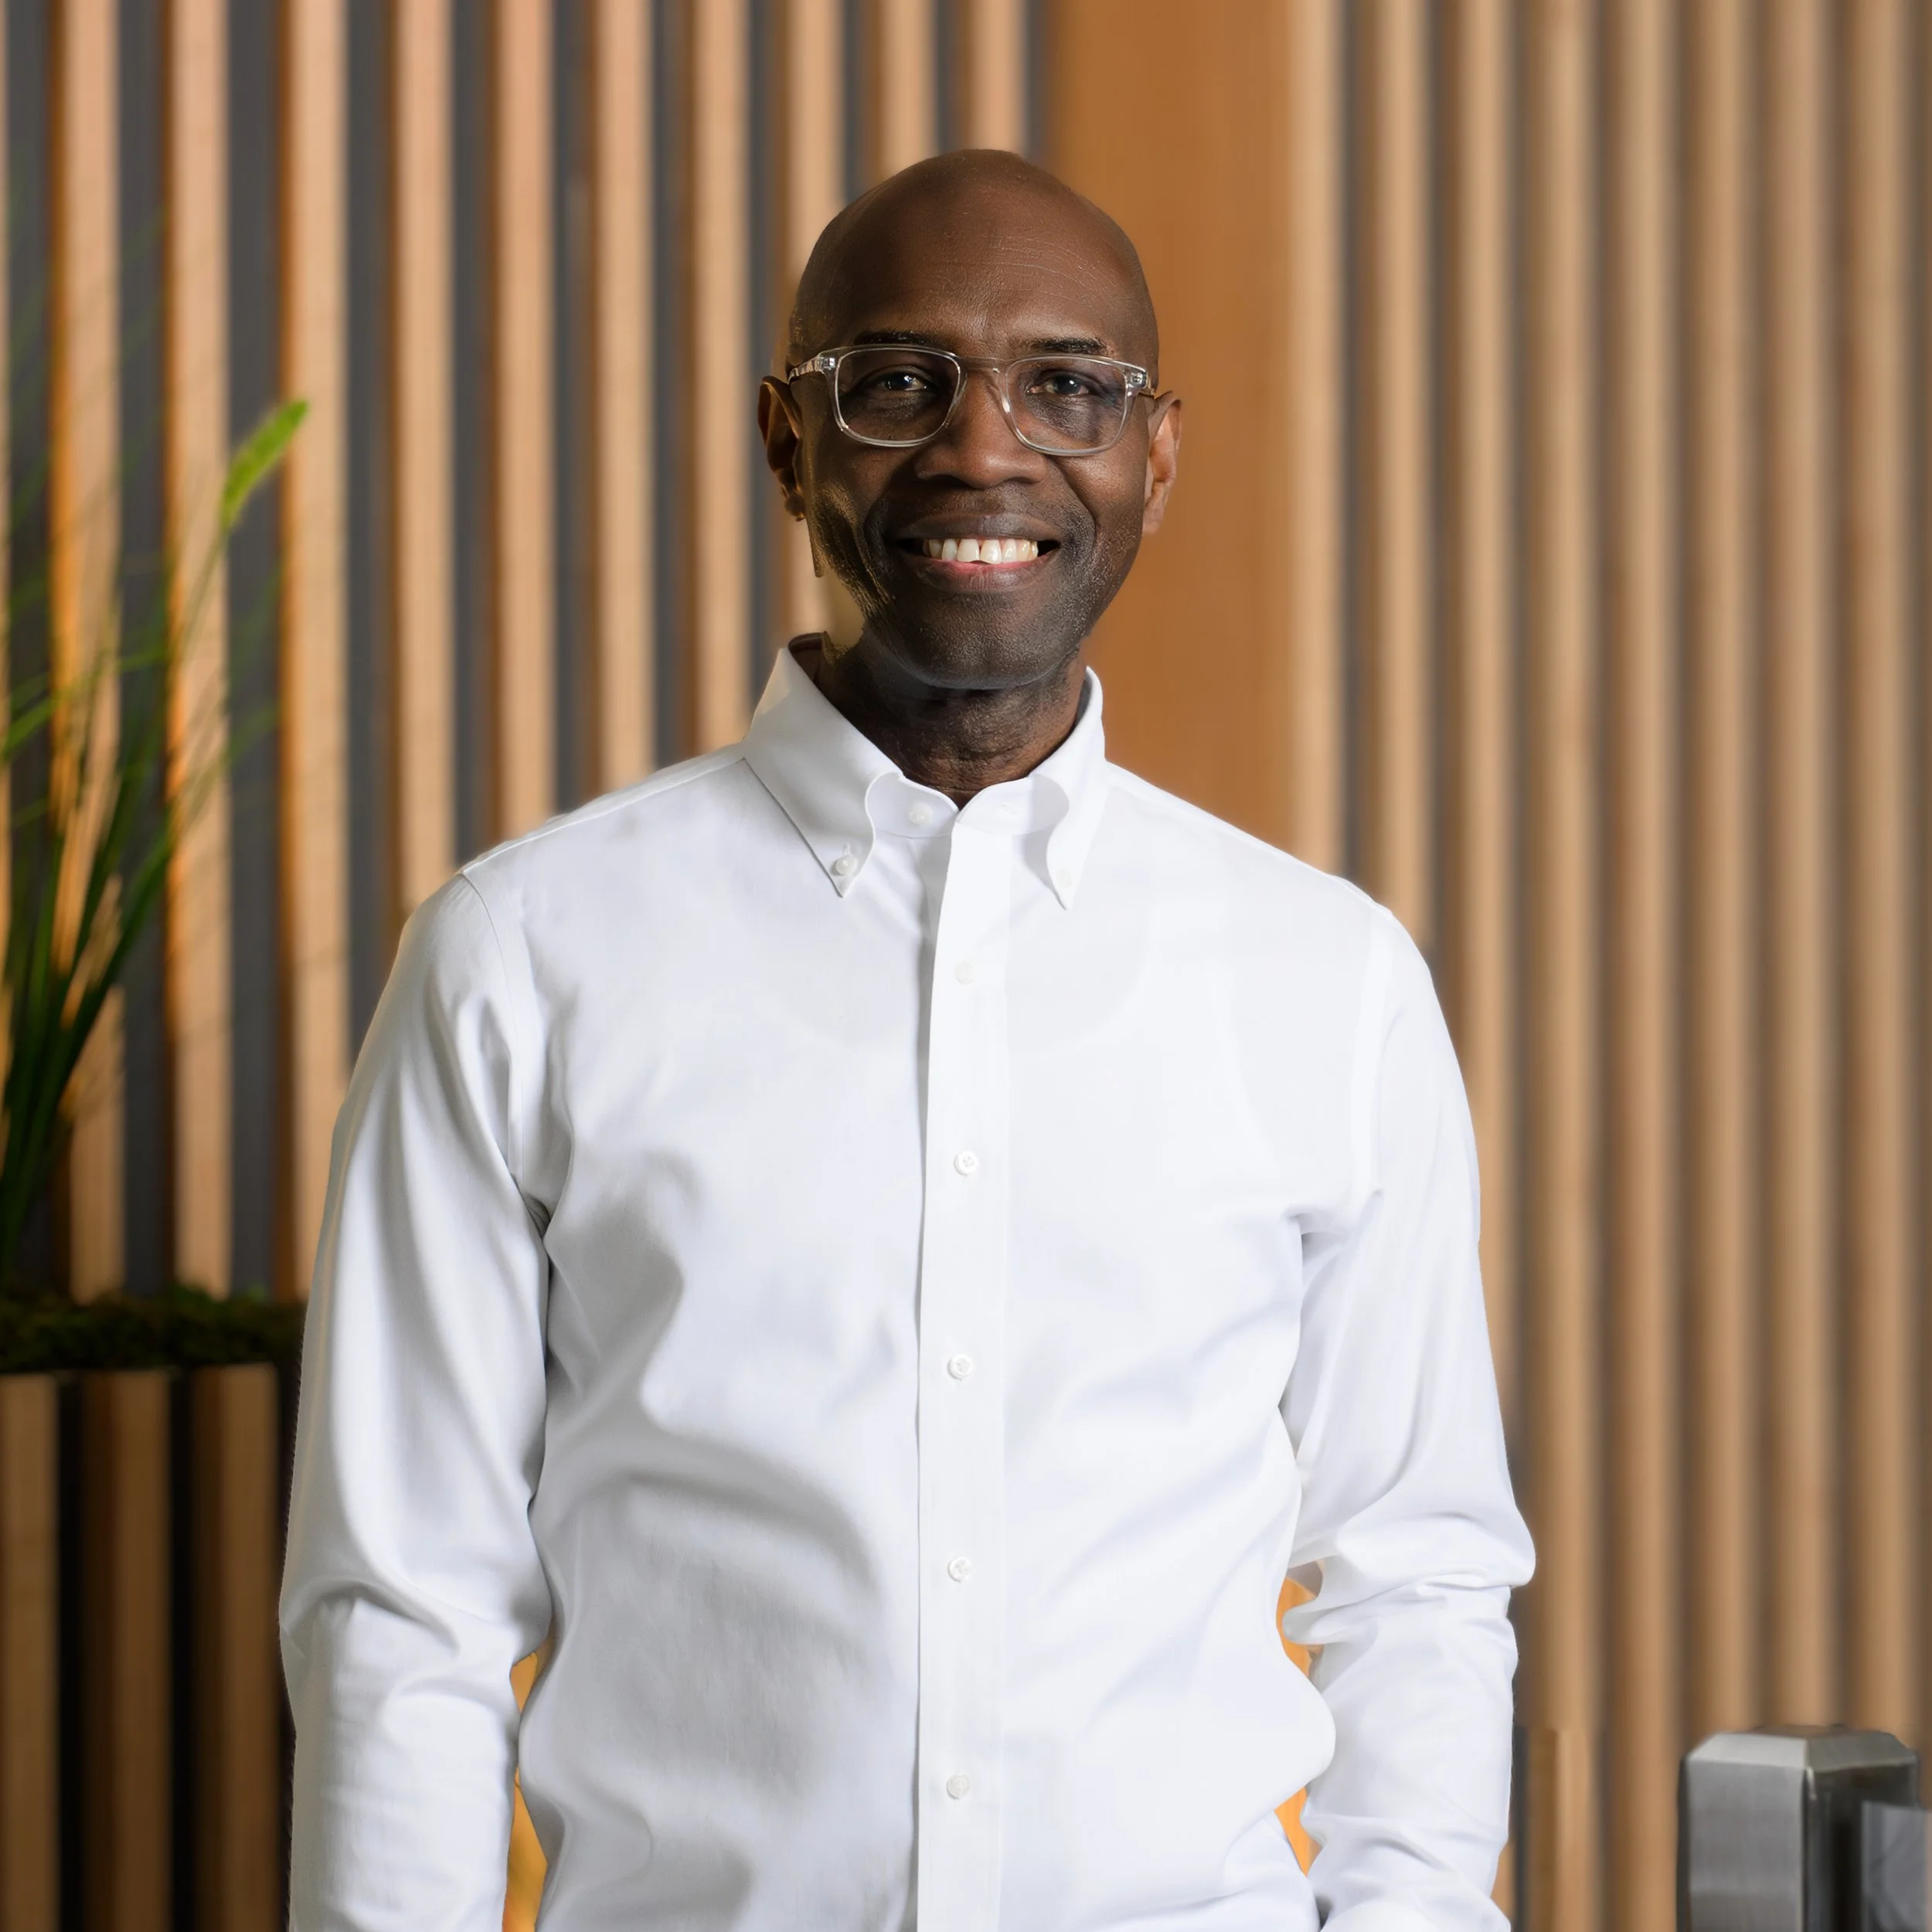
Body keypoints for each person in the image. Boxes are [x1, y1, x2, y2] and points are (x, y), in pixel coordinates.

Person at [282, 148, 1532, 1932]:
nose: (981, 448)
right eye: (897, 383)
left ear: (1151, 453)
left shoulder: (1324, 980)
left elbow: (1411, 1570)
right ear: (789, 440)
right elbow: (403, 1615)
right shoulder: (519, 958)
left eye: (1064, 386)